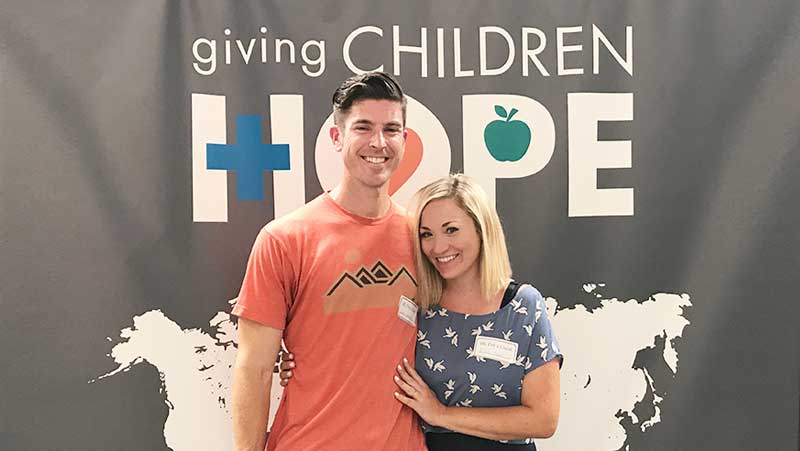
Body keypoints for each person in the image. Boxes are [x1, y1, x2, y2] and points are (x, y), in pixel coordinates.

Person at [281, 174, 563, 450]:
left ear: (481, 229)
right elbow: (362, 352)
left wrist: (440, 414)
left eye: (451, 229)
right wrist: (304, 365)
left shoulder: (523, 306)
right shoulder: (419, 307)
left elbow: (544, 420)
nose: (438, 247)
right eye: (426, 234)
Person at [231, 71, 426, 451]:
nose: (378, 142)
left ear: (405, 138)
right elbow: (253, 369)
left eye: (391, 129)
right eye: (363, 127)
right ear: (337, 137)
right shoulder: (285, 239)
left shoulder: (423, 239)